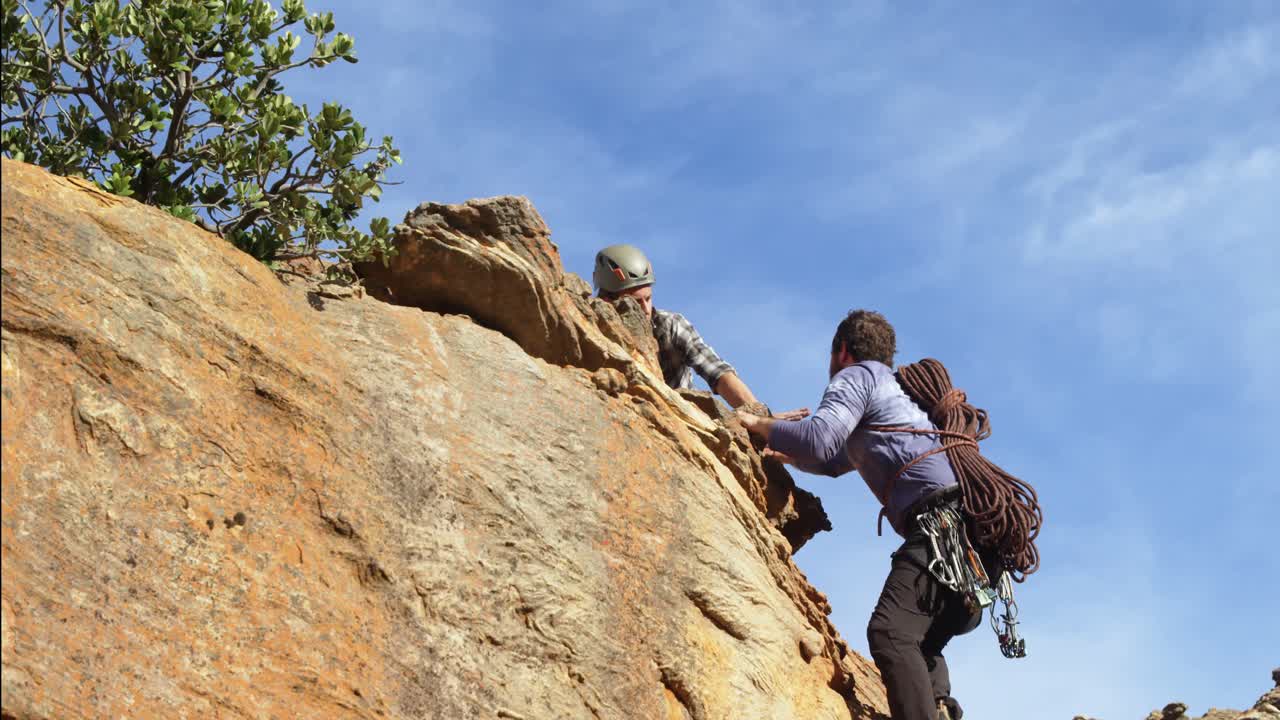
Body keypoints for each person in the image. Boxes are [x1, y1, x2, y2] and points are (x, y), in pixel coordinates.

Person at [737, 309, 978, 720]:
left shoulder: (858, 376)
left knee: (889, 632)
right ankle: (937, 707)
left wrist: (759, 423)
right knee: (919, 644)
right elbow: (832, 457)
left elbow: (819, 438)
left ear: (842, 351)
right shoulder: (894, 396)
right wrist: (788, 456)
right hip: (973, 543)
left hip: (940, 527)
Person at [592, 243, 764, 411]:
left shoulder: (670, 325)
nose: (646, 309)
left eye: (648, 298)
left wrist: (764, 423)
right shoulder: (592, 328)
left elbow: (717, 372)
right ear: (608, 301)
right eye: (636, 302)